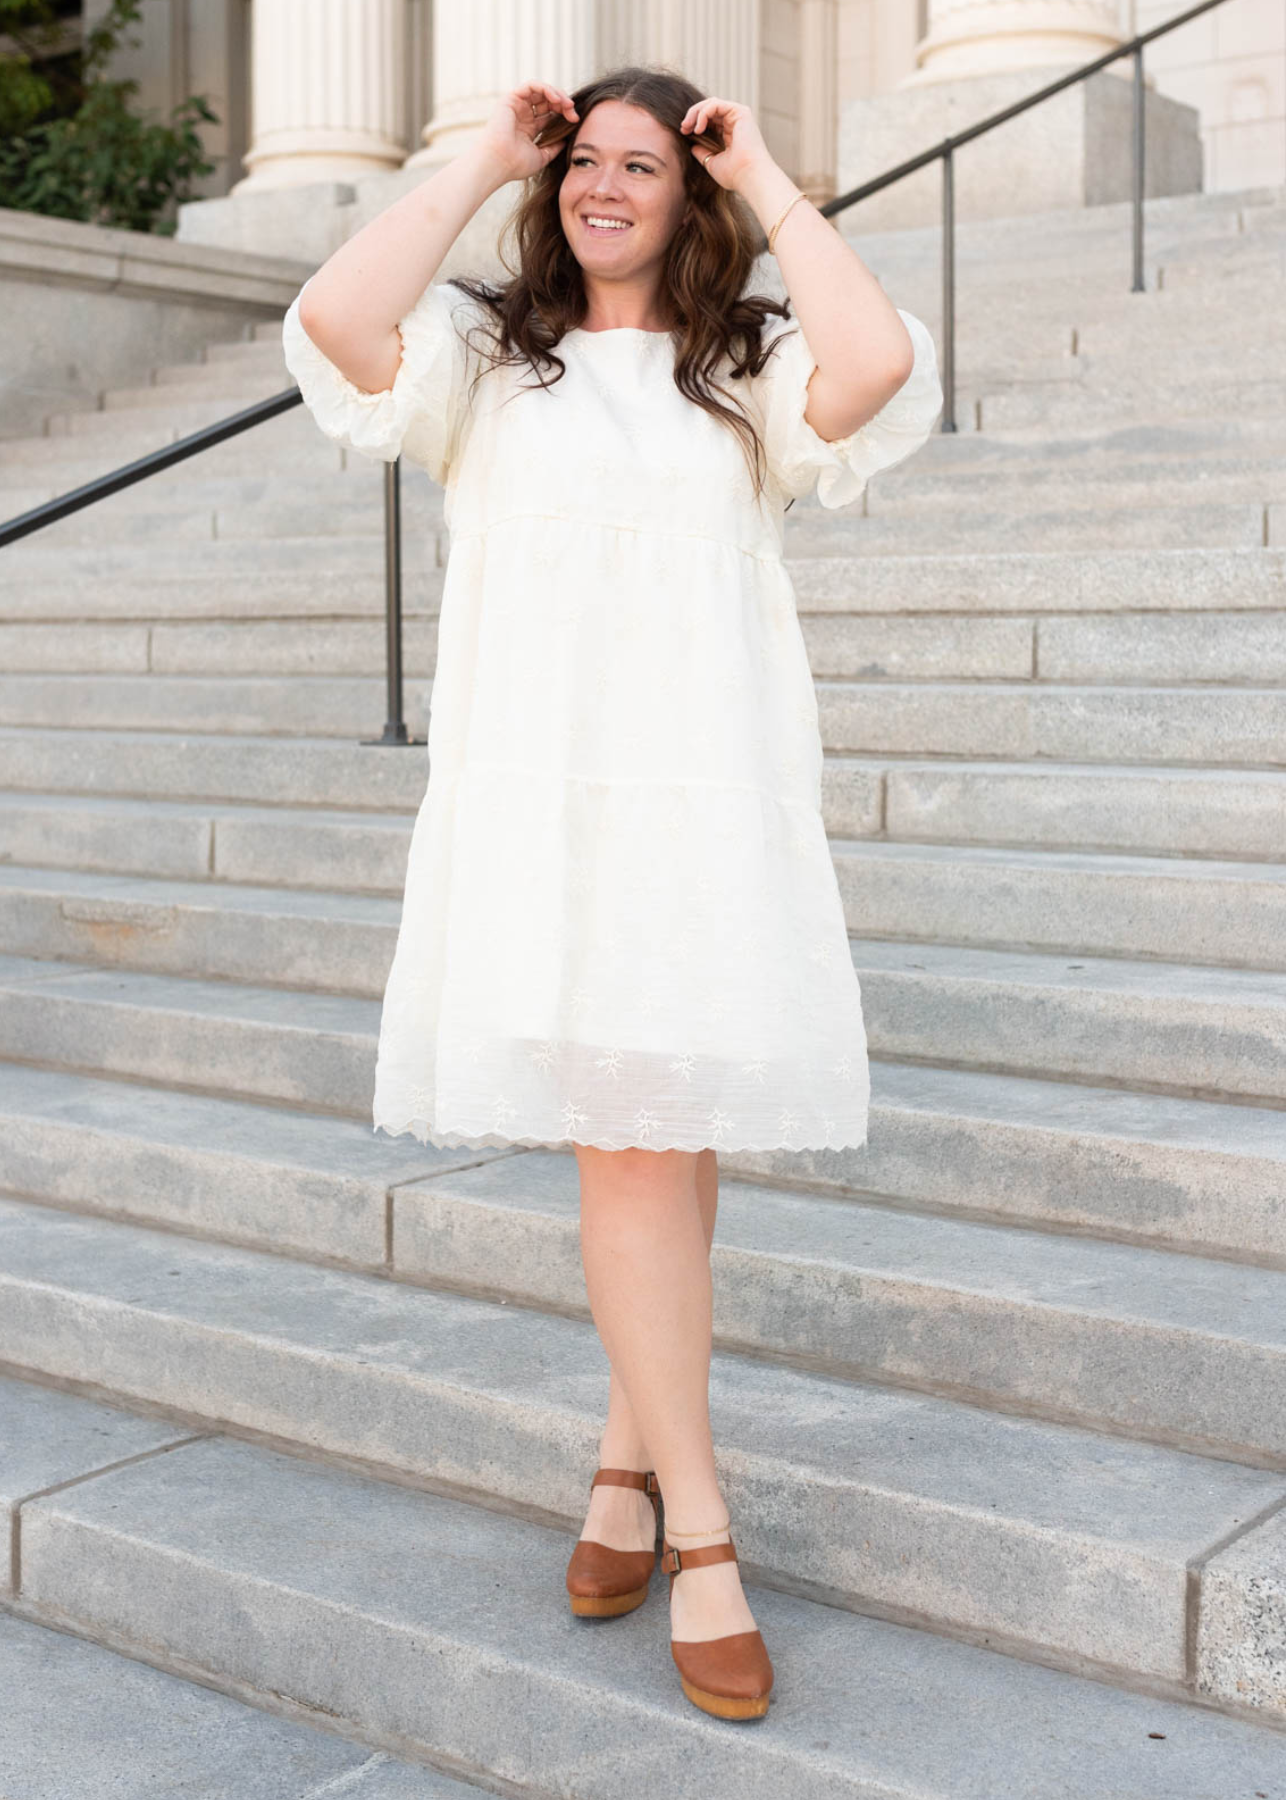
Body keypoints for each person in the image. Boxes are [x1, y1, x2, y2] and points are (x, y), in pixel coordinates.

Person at [283, 63, 943, 1724]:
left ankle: (623, 1467)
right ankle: (705, 1537)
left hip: (705, 808)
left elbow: (876, 362)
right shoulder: (486, 363)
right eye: (584, 160)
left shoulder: (748, 371)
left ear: (688, 194)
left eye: (645, 166)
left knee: (671, 1139)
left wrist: (771, 168)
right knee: (638, 1145)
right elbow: (333, 318)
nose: (606, 185)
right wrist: (478, 158)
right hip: (547, 815)